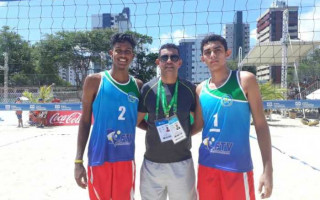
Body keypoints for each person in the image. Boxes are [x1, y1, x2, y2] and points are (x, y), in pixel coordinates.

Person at [192, 34, 273, 200]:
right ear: (202, 58)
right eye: (208, 52)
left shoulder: (245, 80)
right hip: (207, 166)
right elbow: (198, 125)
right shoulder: (200, 89)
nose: (213, 55)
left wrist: (268, 169)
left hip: (237, 168)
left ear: (227, 53)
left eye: (217, 50)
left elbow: (261, 125)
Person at [74, 33, 142, 200]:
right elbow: (84, 121)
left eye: (128, 51)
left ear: (132, 55)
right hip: (99, 158)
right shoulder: (94, 81)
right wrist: (78, 162)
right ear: (111, 53)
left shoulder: (138, 85)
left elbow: (140, 121)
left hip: (125, 158)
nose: (123, 55)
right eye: (119, 50)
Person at [137, 43, 197, 200]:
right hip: (152, 164)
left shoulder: (190, 88)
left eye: (173, 57)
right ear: (158, 62)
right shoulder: (147, 88)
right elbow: (138, 120)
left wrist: (186, 132)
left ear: (179, 62)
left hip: (182, 164)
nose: (169, 60)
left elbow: (199, 121)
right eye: (164, 57)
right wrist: (152, 128)